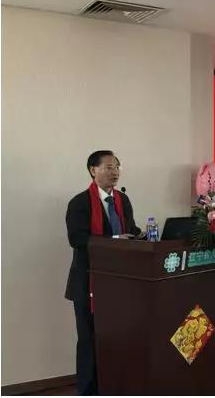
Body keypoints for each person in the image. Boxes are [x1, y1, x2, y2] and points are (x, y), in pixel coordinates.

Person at [65, 150, 142, 395]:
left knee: (118, 338)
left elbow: (130, 229)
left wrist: (141, 235)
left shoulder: (122, 200)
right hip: (88, 282)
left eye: (117, 166)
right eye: (109, 167)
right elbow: (77, 239)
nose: (115, 171)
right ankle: (88, 391)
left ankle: (115, 386)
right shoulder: (79, 202)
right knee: (89, 340)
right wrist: (116, 240)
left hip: (119, 282)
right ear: (93, 170)